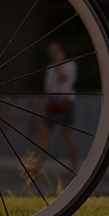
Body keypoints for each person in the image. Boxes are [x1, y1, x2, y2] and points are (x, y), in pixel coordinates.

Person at [27, 41, 80, 175]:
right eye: (51, 50)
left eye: (55, 50)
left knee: (67, 134)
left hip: (65, 103)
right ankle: (38, 166)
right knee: (43, 132)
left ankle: (75, 166)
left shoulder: (69, 65)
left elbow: (63, 79)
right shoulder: (49, 68)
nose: (52, 53)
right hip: (52, 104)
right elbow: (48, 88)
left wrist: (59, 64)